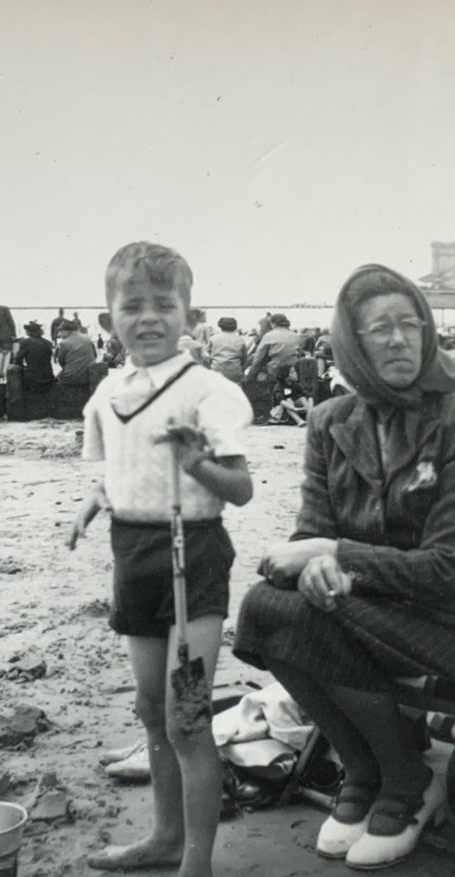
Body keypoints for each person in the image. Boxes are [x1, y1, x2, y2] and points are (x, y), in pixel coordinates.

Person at [234, 264, 455, 870]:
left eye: (410, 324)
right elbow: (312, 531)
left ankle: (408, 780)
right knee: (265, 605)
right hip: (376, 614)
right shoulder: (331, 422)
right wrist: (312, 562)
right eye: (379, 328)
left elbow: (447, 569)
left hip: (445, 622)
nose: (398, 339)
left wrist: (333, 558)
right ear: (352, 343)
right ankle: (367, 767)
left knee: (311, 606)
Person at [67, 241, 253, 877]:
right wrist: (95, 501)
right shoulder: (108, 391)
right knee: (151, 710)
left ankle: (195, 862)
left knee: (189, 719)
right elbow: (117, 471)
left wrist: (196, 461)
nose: (148, 317)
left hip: (192, 554)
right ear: (109, 316)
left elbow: (242, 489)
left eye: (164, 304)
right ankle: (165, 836)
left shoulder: (208, 390)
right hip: (133, 554)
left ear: (188, 312)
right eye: (132, 305)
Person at [245, 313, 301, 382]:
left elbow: (258, 358)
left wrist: (250, 377)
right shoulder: (296, 336)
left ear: (273, 324)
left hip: (275, 372)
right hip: (292, 371)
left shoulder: (269, 336)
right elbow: (299, 354)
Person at [13, 321, 54, 392]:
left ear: (29, 332)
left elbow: (18, 360)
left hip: (33, 379)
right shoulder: (48, 343)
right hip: (48, 377)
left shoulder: (25, 343)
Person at [55, 319, 96, 385]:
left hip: (72, 377)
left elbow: (61, 361)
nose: (59, 335)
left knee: (56, 379)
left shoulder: (64, 343)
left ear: (67, 331)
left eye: (61, 332)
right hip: (89, 375)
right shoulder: (87, 338)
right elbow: (95, 355)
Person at [208, 317, 248, 383]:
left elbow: (207, 357)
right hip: (235, 373)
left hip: (217, 372)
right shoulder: (240, 340)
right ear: (235, 327)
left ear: (220, 326)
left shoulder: (213, 339)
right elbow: (244, 359)